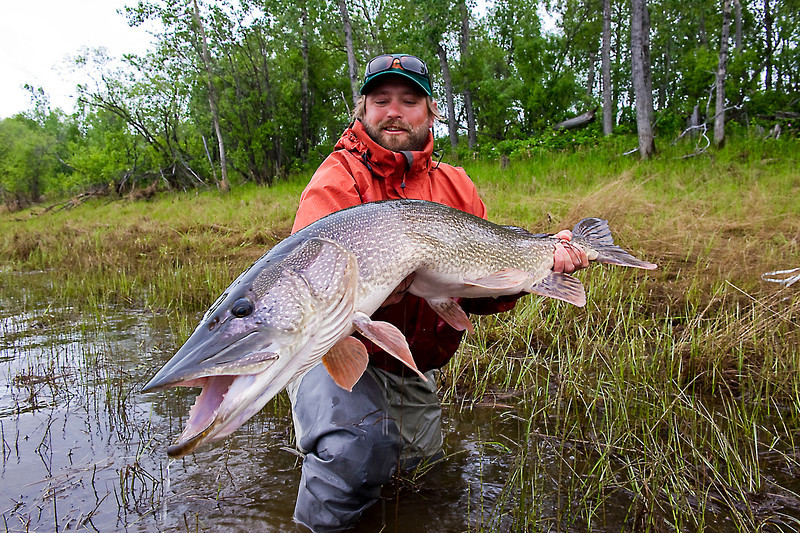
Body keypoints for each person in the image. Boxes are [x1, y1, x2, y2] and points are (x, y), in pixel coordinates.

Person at [286, 53, 588, 532]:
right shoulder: (337, 179)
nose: (394, 111)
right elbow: (318, 291)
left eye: (409, 100)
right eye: (381, 100)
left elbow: (481, 292)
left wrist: (540, 270)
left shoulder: (455, 184)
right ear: (361, 111)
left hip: (408, 363)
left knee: (419, 473)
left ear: (430, 112)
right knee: (355, 452)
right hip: (333, 347)